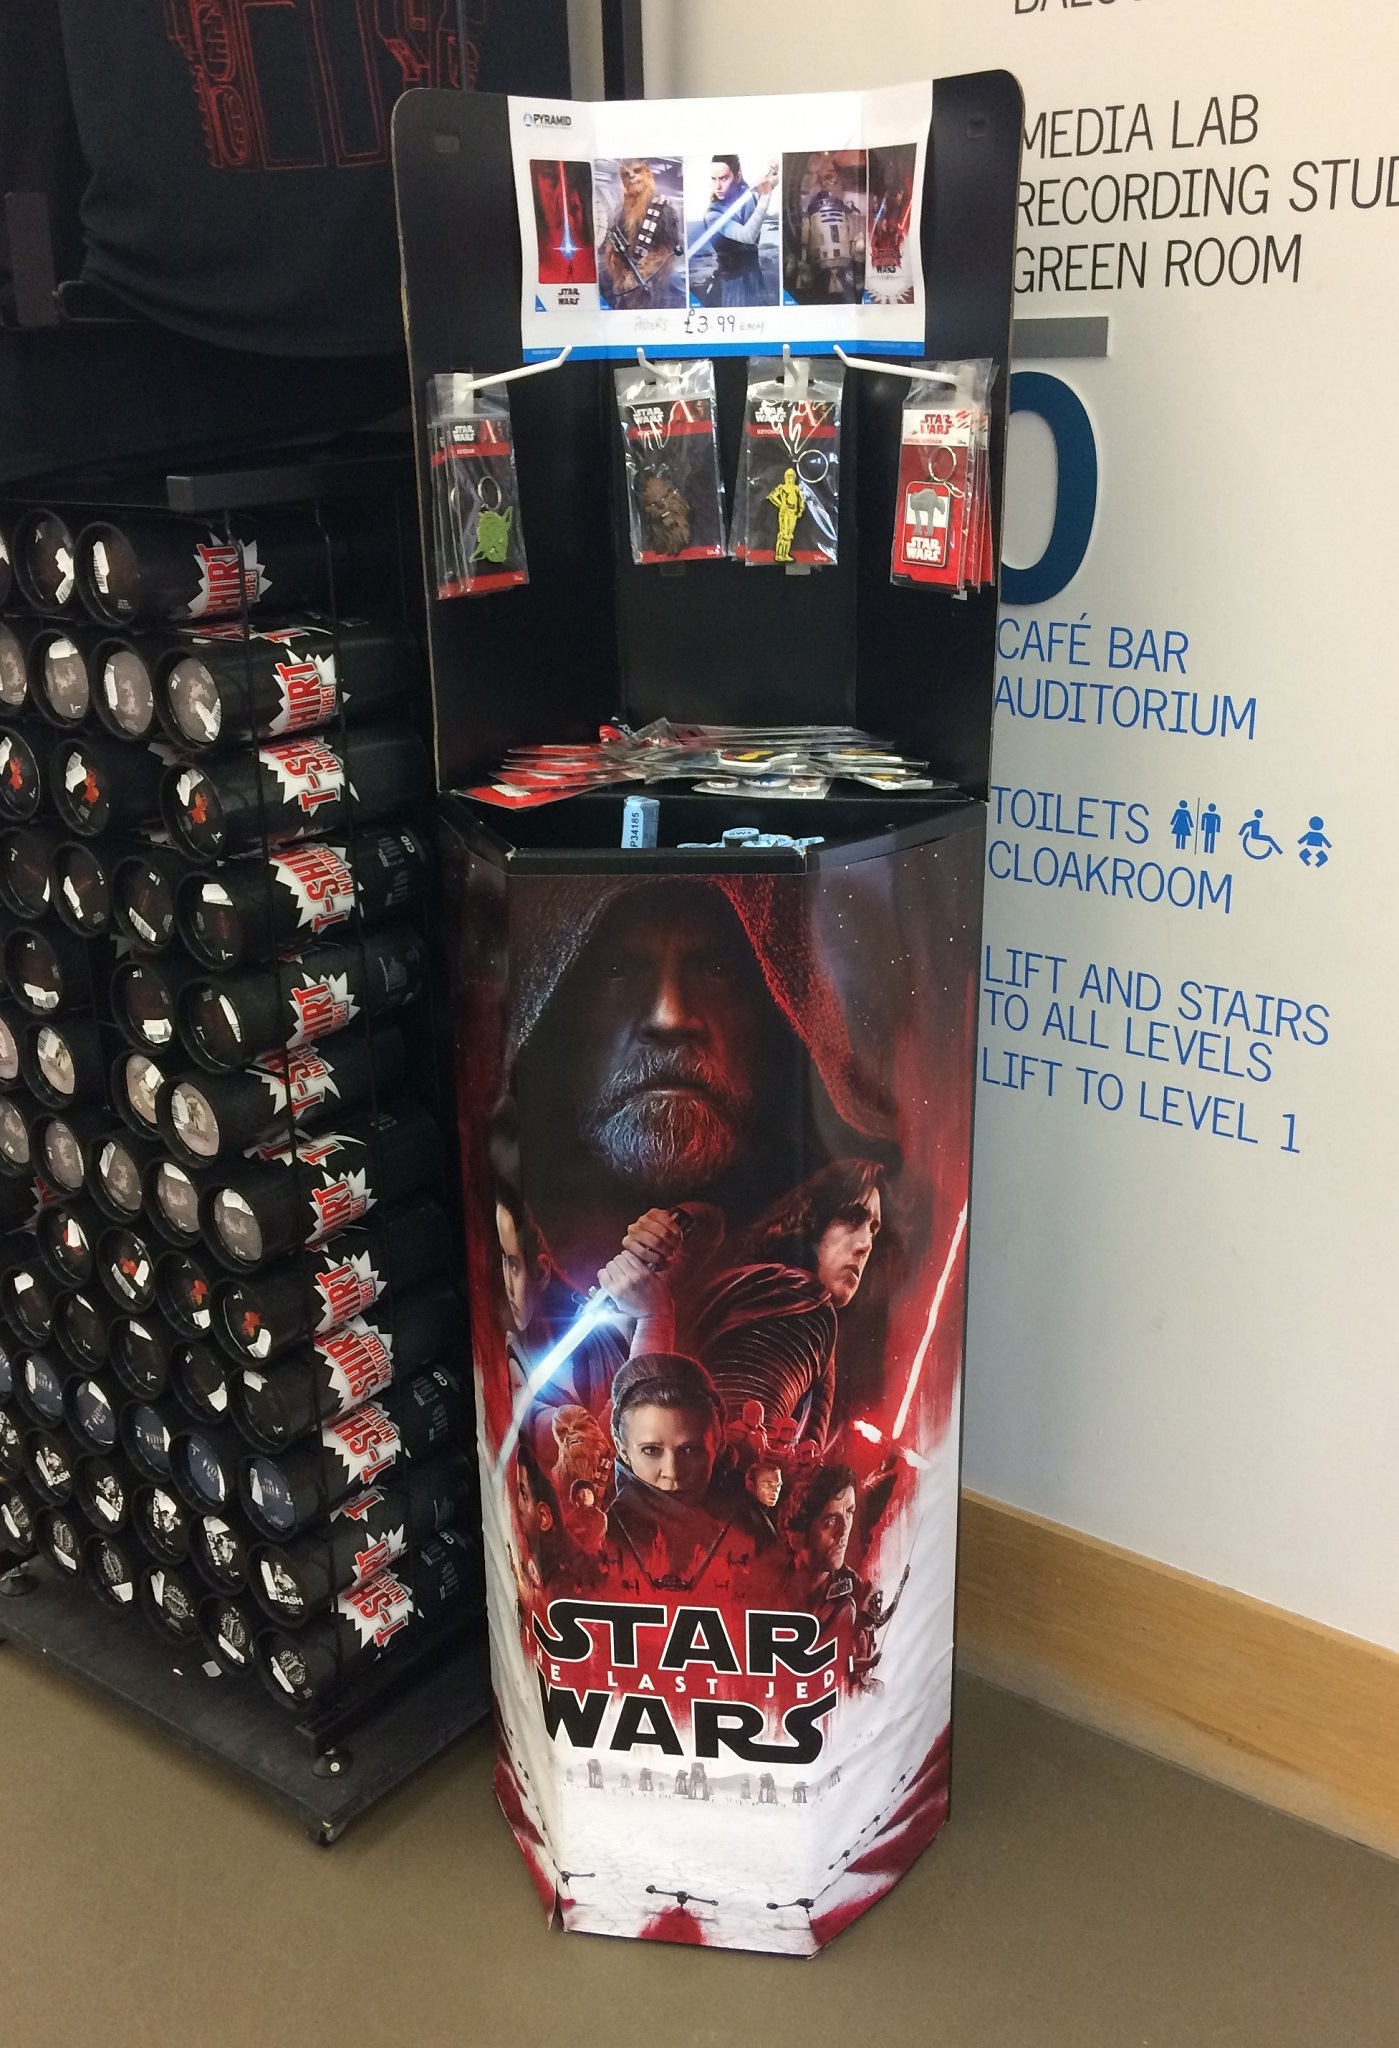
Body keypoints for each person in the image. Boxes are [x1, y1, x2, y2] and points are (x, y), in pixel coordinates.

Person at [688, 1159, 891, 1453]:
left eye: (873, 1230)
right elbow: (737, 1444)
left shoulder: (780, 1294)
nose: (865, 1244)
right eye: (852, 1218)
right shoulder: (798, 1299)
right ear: (815, 1219)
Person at [605, 1353, 769, 1592]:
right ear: (623, 1449)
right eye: (651, 1450)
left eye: (691, 1450)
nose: (672, 1472)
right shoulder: (595, 1534)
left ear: (718, 1445)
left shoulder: (754, 1529)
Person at [695, 155, 777, 307]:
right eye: (714, 179)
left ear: (737, 177)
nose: (718, 186)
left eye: (723, 178)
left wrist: (777, 169)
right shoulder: (713, 214)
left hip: (755, 277)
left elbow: (772, 182)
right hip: (732, 284)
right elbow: (748, 236)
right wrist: (765, 198)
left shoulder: (747, 194)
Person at [601, 158, 683, 309]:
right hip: (625, 284)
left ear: (648, 174)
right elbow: (614, 248)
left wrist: (642, 272)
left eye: (637, 171)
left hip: (652, 283)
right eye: (626, 175)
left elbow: (667, 249)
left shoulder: (663, 209)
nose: (632, 176)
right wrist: (621, 274)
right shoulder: (621, 211)